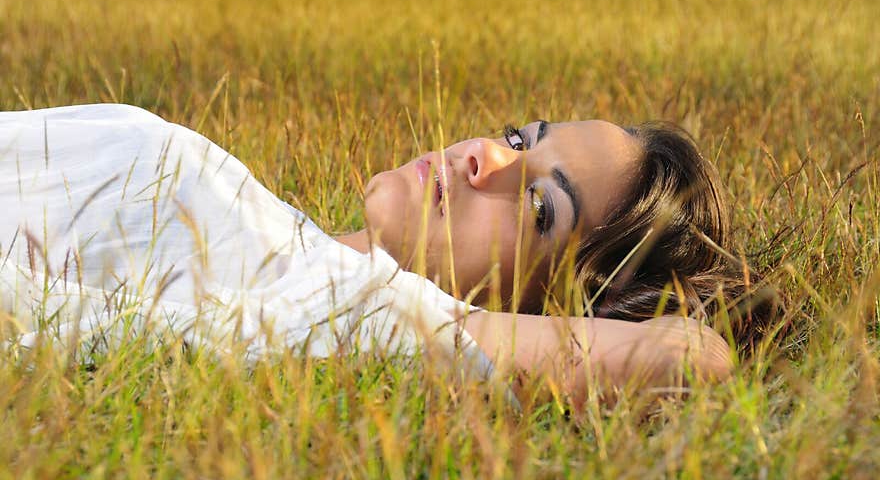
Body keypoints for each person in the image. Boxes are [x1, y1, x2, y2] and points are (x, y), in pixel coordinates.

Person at [0, 104, 765, 406]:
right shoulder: (274, 237)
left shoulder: (369, 314)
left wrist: (483, 331)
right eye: (519, 138)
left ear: (544, 311)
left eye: (540, 208)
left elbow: (693, 354)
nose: (485, 160)